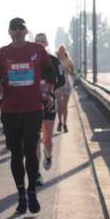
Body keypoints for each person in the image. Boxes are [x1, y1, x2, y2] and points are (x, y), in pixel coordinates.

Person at [0, 18, 55, 215]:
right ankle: (21, 195)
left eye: (21, 29)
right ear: (9, 32)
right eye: (14, 29)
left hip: (33, 109)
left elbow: (50, 72)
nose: (18, 32)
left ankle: (32, 191)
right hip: (10, 111)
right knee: (16, 154)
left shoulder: (37, 50)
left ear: (26, 31)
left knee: (30, 149)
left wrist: (50, 93)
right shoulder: (2, 53)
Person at [34, 33, 64, 175]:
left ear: (46, 43)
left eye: (42, 41)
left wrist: (49, 90)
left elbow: (62, 79)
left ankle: (48, 154)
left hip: (49, 102)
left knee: (47, 138)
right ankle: (37, 173)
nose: (40, 43)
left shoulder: (53, 60)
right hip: (33, 102)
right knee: (34, 138)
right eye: (37, 41)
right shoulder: (30, 59)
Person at [56, 44, 75, 132]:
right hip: (58, 85)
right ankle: (59, 122)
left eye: (63, 51)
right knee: (59, 106)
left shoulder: (69, 61)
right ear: (58, 52)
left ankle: (65, 124)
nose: (62, 52)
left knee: (65, 106)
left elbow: (74, 74)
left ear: (65, 51)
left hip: (67, 84)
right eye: (60, 51)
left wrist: (69, 71)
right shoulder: (55, 61)